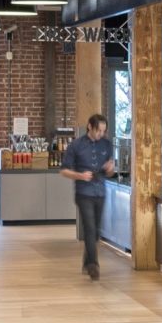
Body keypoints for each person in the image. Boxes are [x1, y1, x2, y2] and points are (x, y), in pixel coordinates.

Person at [61, 113, 117, 279]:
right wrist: (80, 176)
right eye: (98, 130)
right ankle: (93, 265)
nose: (101, 134)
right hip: (83, 192)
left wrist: (110, 169)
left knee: (96, 231)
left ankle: (87, 262)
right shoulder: (76, 145)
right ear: (89, 127)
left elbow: (111, 172)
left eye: (103, 131)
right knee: (89, 228)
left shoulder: (107, 145)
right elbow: (64, 170)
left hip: (100, 192)